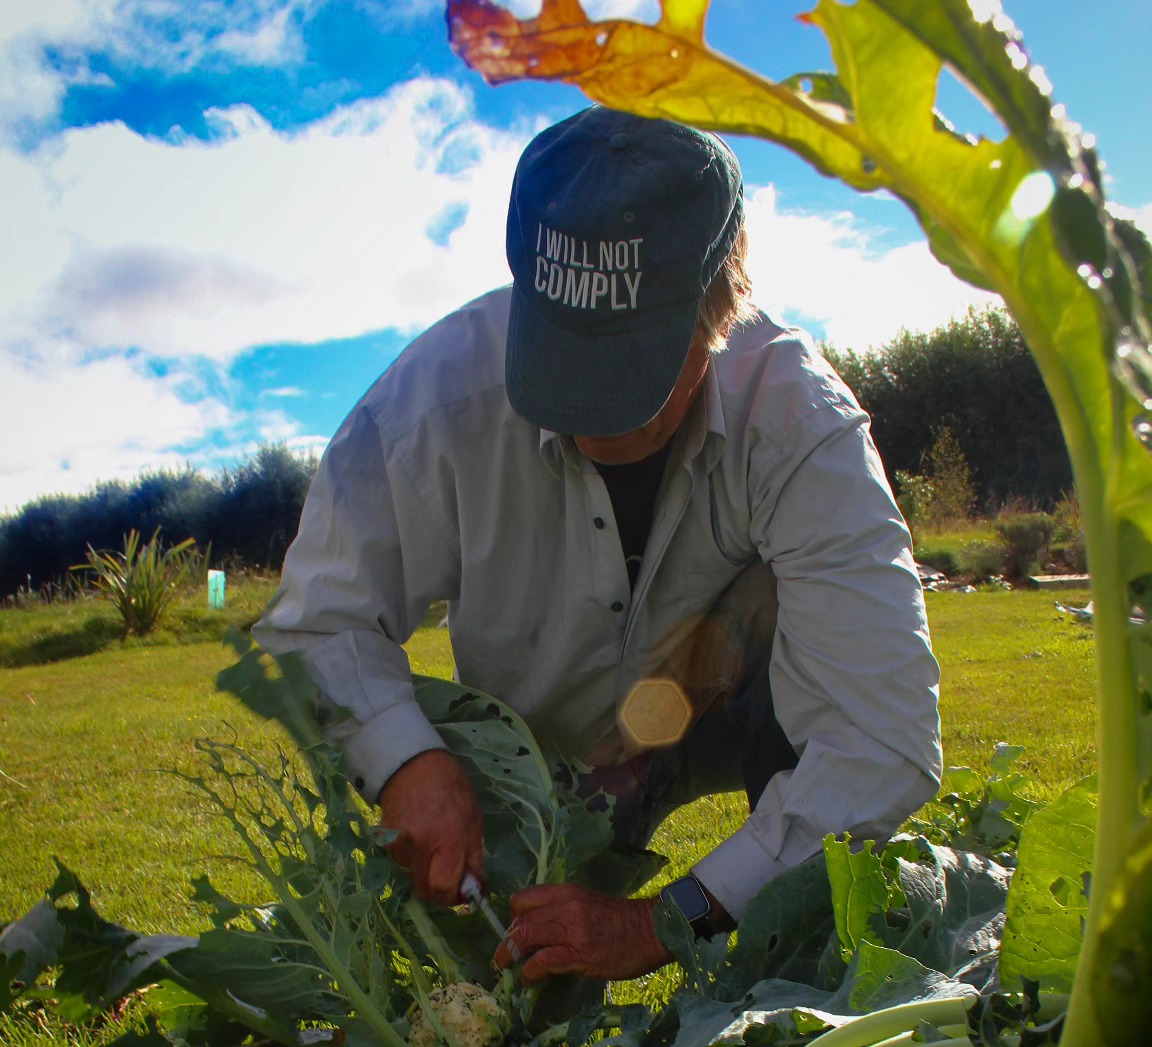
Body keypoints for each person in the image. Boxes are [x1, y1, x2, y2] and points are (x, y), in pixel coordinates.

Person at [254, 106, 942, 999]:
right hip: (548, 764)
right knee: (524, 1007)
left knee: (817, 924)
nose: (593, 418)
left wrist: (671, 918)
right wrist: (404, 761)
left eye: (631, 375)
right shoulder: (432, 404)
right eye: (566, 367)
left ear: (722, 307)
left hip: (727, 712)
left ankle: (801, 976)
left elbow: (880, 740)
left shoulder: (799, 420)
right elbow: (321, 621)